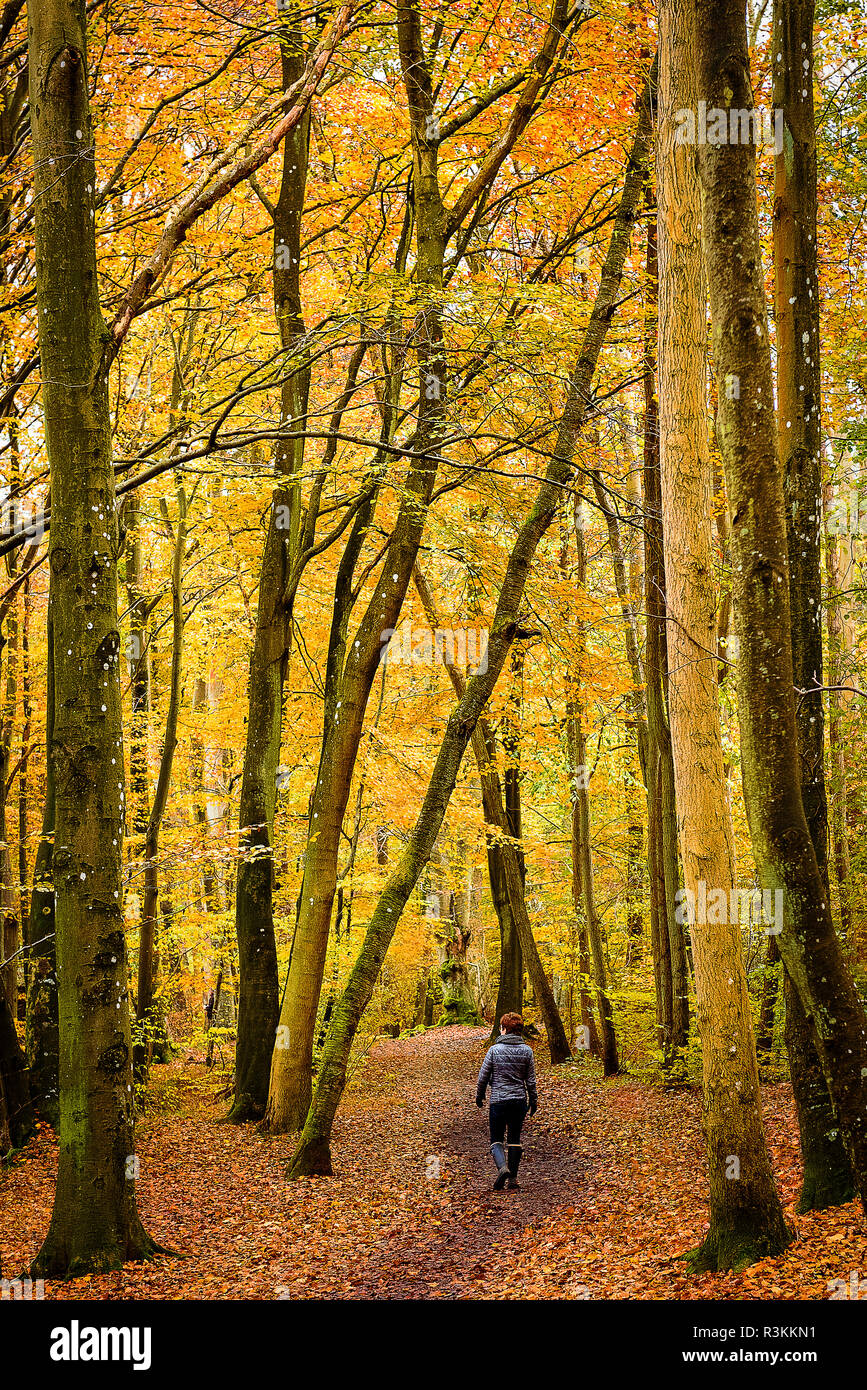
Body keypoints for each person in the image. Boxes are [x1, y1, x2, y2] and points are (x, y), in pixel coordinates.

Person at [475, 1012, 538, 1190]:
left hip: (498, 1101)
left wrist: (479, 1096)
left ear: (504, 1029)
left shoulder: (494, 1051)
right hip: (518, 1102)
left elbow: (483, 1077)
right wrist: (533, 1101)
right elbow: (530, 1080)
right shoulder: (527, 1051)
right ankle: (513, 1180)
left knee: (496, 1138)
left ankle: (502, 1168)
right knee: (515, 1138)